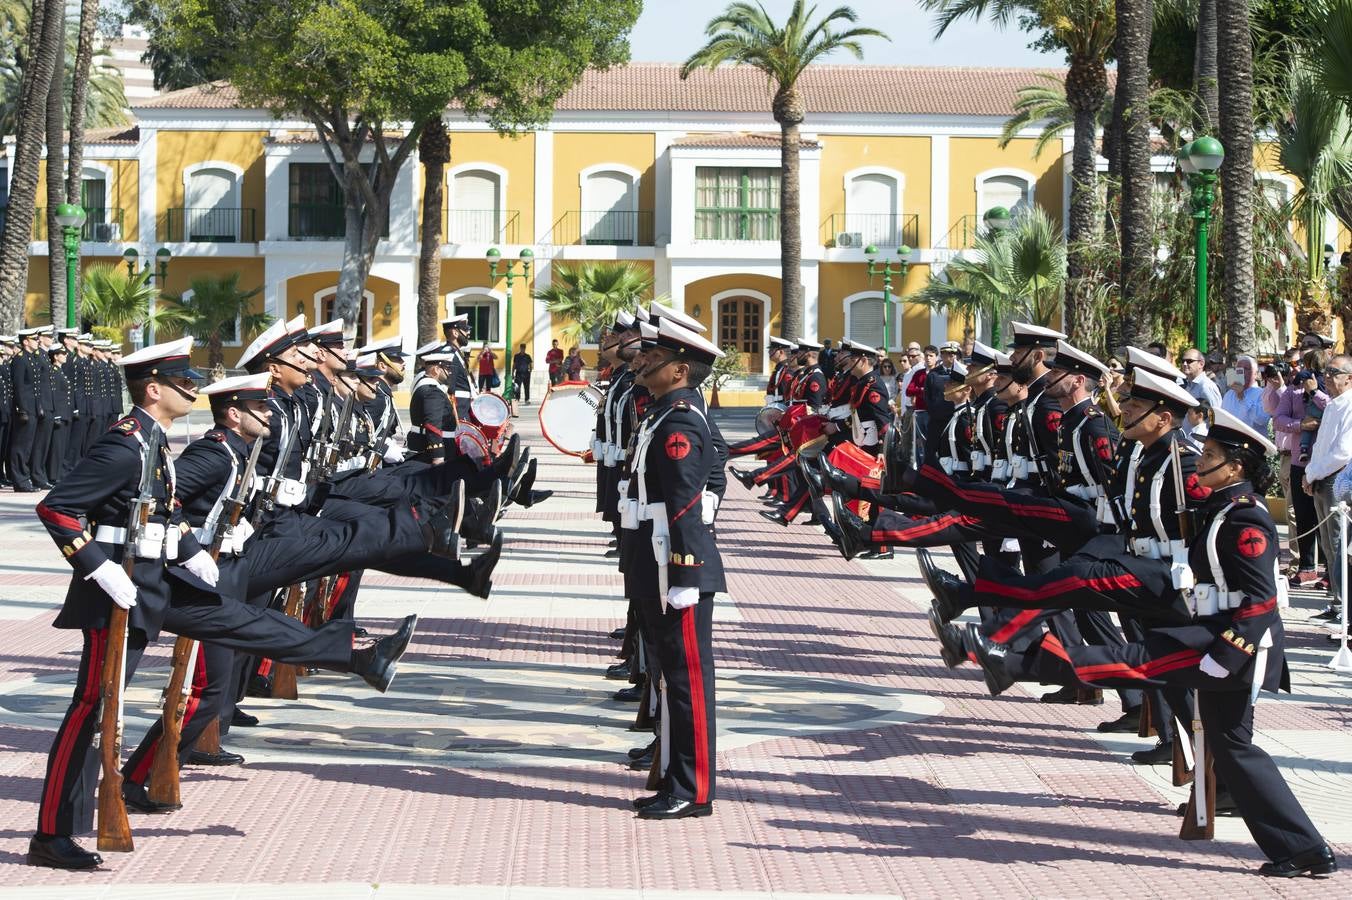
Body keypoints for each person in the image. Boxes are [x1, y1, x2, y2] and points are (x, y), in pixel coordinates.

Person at [958, 408, 1337, 879]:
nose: (1199, 465)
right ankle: (1304, 849)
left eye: (1211, 458)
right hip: (1213, 636)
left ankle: (1014, 662)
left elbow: (1260, 603)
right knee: (1235, 750)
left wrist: (1226, 655)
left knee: (1130, 660)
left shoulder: (1246, 521)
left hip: (1228, 645)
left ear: (1236, 468)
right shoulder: (1220, 508)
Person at [621, 316, 725, 820]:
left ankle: (694, 789)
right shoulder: (663, 413)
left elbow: (685, 503)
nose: (640, 361)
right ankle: (673, 778)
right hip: (656, 556)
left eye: (652, 358)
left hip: (674, 563)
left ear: (680, 369)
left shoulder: (680, 419)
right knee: (671, 679)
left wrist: (685, 573)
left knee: (688, 681)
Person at [1302, 353, 1352, 614]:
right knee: (1327, 543)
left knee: (1338, 542)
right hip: (1322, 477)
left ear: (1349, 378)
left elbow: (1343, 452)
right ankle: (1337, 600)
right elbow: (1321, 447)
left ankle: (1346, 604)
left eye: (1334, 373)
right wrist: (1310, 472)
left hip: (1339, 479)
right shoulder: (1333, 404)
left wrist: (1314, 473)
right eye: (1326, 372)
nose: (1327, 377)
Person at [1222, 355, 1270, 434]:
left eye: (1246, 369)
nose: (1242, 372)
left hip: (1252, 443)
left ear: (1256, 374)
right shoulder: (1229, 394)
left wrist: (1243, 397)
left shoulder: (1262, 393)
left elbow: (1261, 420)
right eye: (1239, 368)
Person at [1181, 347, 1223, 413]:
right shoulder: (1188, 385)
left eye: (1189, 361)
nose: (1185, 364)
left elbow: (1216, 415)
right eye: (1183, 361)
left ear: (1201, 364)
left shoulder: (1207, 386)